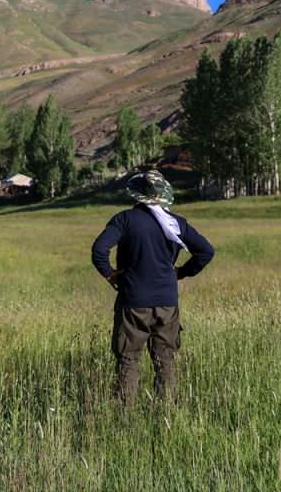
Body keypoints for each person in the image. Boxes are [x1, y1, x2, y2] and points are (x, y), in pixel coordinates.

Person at [91, 170, 214, 403]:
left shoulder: (124, 220)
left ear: (137, 194)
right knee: (165, 360)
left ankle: (124, 419)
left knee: (128, 360)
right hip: (167, 302)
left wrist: (110, 275)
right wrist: (181, 272)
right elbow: (206, 251)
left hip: (133, 302)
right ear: (162, 194)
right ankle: (165, 414)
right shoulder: (176, 223)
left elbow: (99, 250)